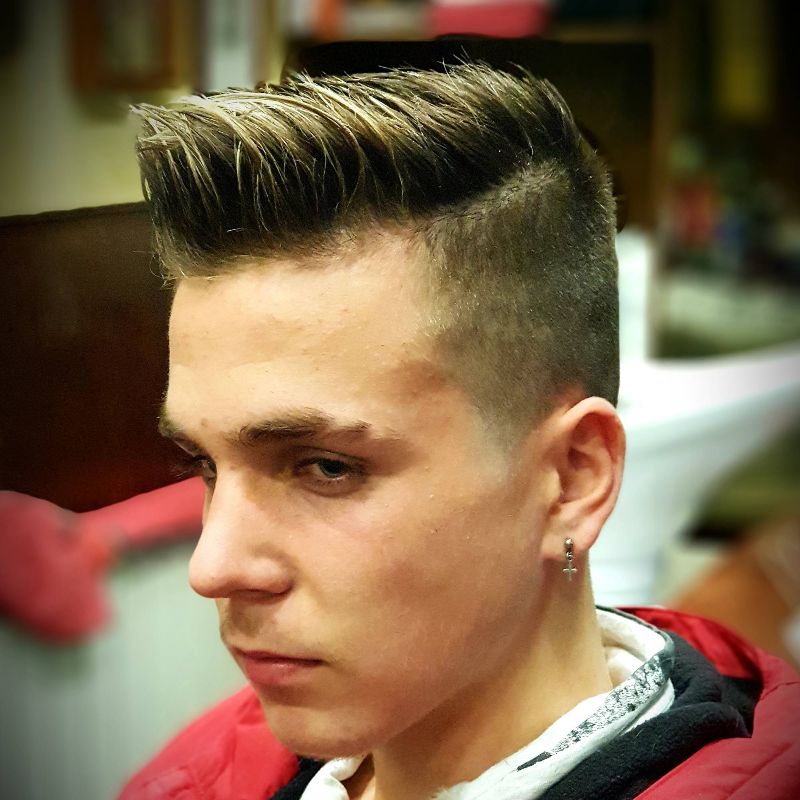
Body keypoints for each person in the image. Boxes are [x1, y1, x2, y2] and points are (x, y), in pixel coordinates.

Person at [120, 64, 798, 800]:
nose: (213, 568)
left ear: (573, 479)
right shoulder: (199, 775)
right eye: (206, 464)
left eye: (326, 467)